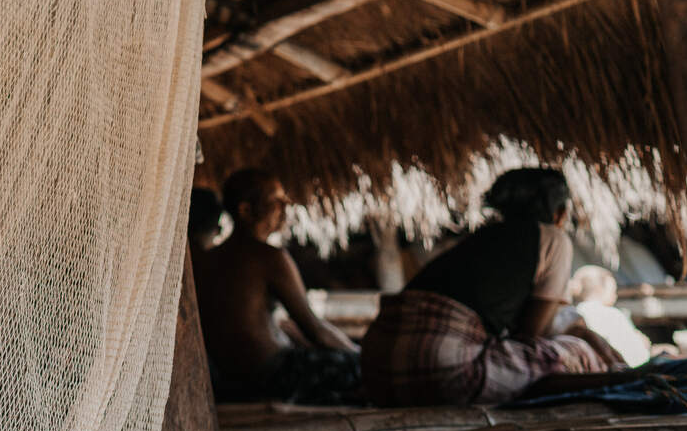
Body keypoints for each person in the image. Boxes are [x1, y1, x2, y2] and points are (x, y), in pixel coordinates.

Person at [360, 167, 625, 406]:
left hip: (377, 372)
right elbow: (531, 336)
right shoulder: (553, 238)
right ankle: (618, 379)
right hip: (441, 369)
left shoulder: (478, 239)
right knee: (577, 351)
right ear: (561, 213)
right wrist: (581, 334)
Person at [192, 169, 362, 404]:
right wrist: (360, 356)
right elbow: (316, 331)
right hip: (273, 376)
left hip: (231, 380)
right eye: (275, 200)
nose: (285, 206)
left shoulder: (209, 259)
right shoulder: (269, 257)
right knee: (360, 368)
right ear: (245, 210)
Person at [569, 265, 654, 367]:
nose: (615, 295)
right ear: (601, 289)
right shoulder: (612, 315)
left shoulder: (574, 313)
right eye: (614, 290)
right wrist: (643, 345)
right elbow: (637, 357)